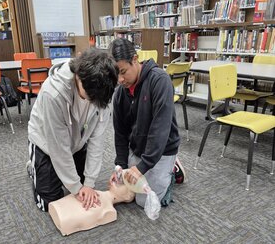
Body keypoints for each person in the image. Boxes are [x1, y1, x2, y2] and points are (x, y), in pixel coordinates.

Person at [27, 49, 119, 212]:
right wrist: (76, 188)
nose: (93, 103)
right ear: (79, 77)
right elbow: (59, 147)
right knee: (49, 204)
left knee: (87, 191)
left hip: (77, 142)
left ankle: (69, 175)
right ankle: (33, 166)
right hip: (47, 144)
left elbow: (97, 141)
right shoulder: (53, 94)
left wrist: (88, 183)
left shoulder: (105, 90)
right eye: (90, 98)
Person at [109, 38, 185, 208]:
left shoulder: (160, 81)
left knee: (144, 201)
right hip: (139, 147)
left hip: (162, 147)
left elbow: (160, 129)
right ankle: (158, 168)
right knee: (126, 190)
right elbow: (120, 132)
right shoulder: (120, 94)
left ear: (135, 59)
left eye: (123, 72)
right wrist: (120, 165)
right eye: (116, 75)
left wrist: (142, 167)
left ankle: (172, 169)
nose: (120, 80)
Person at [49, 182, 135, 236]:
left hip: (64, 220)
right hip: (57, 207)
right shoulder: (95, 192)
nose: (118, 182)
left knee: (85, 208)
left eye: (123, 184)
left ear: (127, 197)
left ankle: (64, 220)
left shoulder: (110, 211)